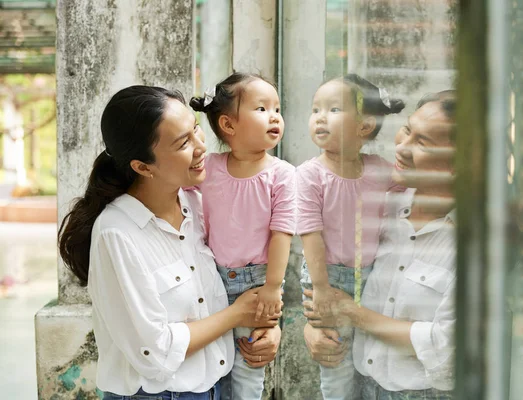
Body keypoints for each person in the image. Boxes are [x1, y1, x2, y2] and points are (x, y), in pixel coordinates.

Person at [57, 86, 282, 399]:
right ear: (143, 166)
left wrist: (266, 328)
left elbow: (245, 278)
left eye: (196, 129)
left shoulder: (201, 205)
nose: (201, 146)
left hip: (217, 388)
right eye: (183, 143)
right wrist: (237, 316)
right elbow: (155, 352)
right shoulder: (117, 234)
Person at [304, 90, 457, 399]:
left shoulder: (474, 244)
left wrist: (351, 313)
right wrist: (316, 329)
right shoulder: (378, 204)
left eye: (423, 142)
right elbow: (330, 274)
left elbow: (447, 347)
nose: (402, 146)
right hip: (358, 386)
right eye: (408, 129)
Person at [296, 74, 405, 400]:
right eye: (316, 109)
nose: (319, 117)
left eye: (333, 109)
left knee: (371, 357)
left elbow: (404, 204)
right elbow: (310, 236)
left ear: (364, 126)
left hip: (374, 275)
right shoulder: (310, 175)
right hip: (329, 277)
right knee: (337, 364)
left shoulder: (382, 171)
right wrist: (321, 288)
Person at [189, 72, 296, 400]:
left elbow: (282, 234)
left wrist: (273, 288)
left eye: (277, 108)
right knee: (210, 366)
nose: (274, 116)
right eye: (261, 109)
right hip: (209, 282)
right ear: (229, 125)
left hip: (256, 286)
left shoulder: (282, 175)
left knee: (248, 374)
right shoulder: (208, 169)